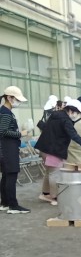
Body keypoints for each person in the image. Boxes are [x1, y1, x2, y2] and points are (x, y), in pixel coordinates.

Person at [35, 98, 81, 202]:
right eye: (76, 112)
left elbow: (46, 127)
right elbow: (74, 135)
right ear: (70, 110)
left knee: (49, 172)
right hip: (53, 150)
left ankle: (45, 194)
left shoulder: (55, 115)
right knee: (55, 173)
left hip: (44, 148)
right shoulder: (66, 120)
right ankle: (55, 197)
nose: (76, 115)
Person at [0, 86, 30, 214]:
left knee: (6, 176)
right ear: (9, 98)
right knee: (11, 175)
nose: (18, 102)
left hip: (6, 148)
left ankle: (5, 203)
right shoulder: (6, 113)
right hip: (8, 148)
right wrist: (20, 134)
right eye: (17, 100)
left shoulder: (5, 111)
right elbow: (3, 131)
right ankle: (13, 205)